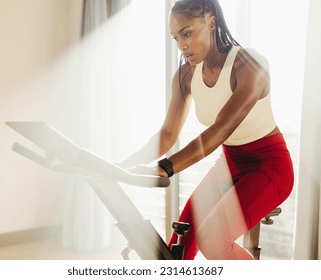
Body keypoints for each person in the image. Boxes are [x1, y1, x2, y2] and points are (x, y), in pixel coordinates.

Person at [121, 0, 294, 260]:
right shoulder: (185, 76)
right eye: (176, 38)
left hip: (269, 166)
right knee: (179, 244)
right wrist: (126, 164)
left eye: (187, 33)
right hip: (229, 163)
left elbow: (220, 130)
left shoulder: (249, 65)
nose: (182, 45)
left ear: (210, 22)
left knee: (212, 240)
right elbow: (168, 134)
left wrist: (166, 167)